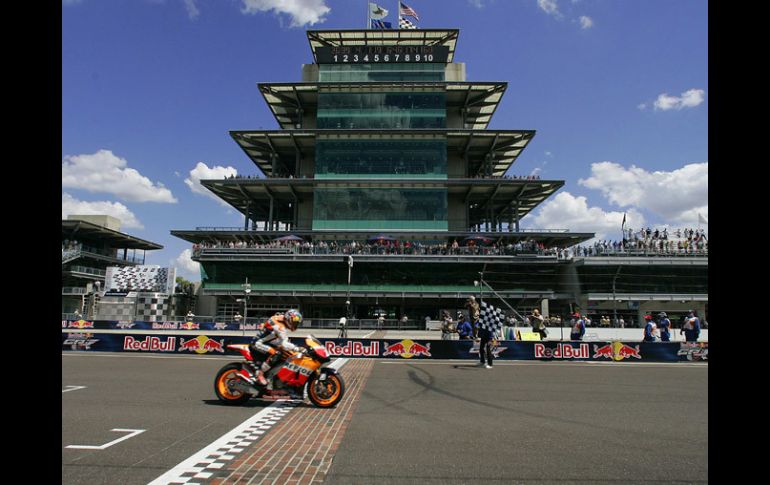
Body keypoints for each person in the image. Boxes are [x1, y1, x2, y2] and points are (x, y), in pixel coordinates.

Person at [249, 309, 304, 386]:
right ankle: (260, 373)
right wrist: (297, 348)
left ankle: (270, 376)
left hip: (266, 342)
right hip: (257, 344)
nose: (295, 325)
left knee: (283, 352)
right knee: (276, 353)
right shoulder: (280, 327)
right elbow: (284, 343)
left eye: (296, 323)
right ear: (289, 319)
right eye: (294, 323)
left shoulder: (280, 319)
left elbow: (277, 338)